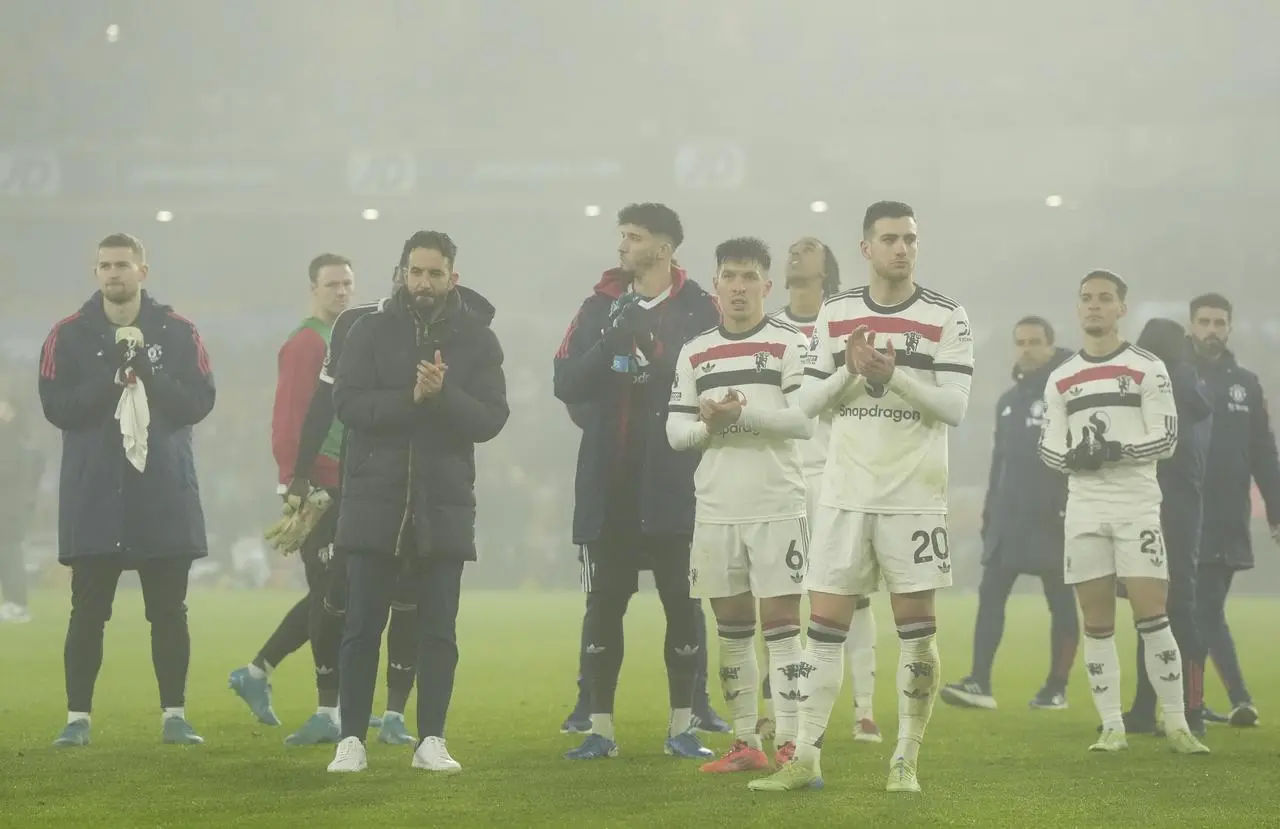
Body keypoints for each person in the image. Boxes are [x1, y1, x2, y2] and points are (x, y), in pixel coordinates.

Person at [751, 201, 974, 794]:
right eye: (890, 239)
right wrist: (854, 370)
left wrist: (892, 373)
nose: (902, 249)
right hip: (846, 494)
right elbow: (805, 405)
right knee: (822, 630)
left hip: (914, 499)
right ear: (865, 249)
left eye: (910, 239)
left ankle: (905, 758)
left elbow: (956, 407)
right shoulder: (837, 312)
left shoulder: (946, 316)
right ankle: (806, 759)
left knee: (917, 634)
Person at [326, 230, 508, 774]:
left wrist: (444, 395)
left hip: (444, 501)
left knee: (438, 629)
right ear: (402, 273)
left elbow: (492, 419)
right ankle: (351, 740)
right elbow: (347, 405)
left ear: (453, 275)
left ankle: (431, 739)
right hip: (373, 499)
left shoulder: (479, 340)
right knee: (361, 627)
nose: (423, 283)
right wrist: (412, 397)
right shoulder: (367, 331)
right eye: (415, 272)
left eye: (434, 273)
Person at [226, 255, 418, 746]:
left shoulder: (350, 335)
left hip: (349, 480)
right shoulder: (306, 343)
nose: (342, 292)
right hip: (319, 484)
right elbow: (292, 417)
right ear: (313, 288)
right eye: (332, 284)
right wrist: (296, 482)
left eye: (348, 284)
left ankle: (262, 672)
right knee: (333, 593)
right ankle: (325, 708)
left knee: (338, 592)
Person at [554, 203, 722, 761]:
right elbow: (564, 380)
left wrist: (652, 349)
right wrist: (609, 343)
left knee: (682, 602)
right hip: (610, 485)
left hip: (676, 483)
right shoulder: (598, 305)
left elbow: (715, 379)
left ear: (665, 248)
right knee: (604, 605)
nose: (622, 245)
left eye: (634, 236)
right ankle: (600, 729)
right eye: (621, 235)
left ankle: (683, 727)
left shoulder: (701, 308)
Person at [39, 232, 215, 747]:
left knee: (168, 611)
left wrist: (150, 378)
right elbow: (57, 408)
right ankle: (77, 720)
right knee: (88, 611)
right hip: (94, 495)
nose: (113, 273)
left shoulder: (179, 332)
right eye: (105, 265)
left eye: (123, 264)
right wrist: (112, 380)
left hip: (162, 492)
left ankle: (174, 716)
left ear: (144, 270)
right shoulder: (67, 335)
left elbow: (199, 403)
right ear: (95, 273)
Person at [1037, 270, 1207, 755]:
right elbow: (1048, 446)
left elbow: (1167, 438)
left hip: (1135, 507)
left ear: (1121, 308)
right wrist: (1072, 457)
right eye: (1086, 298)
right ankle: (1112, 726)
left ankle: (1177, 724)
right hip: (1085, 509)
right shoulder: (1061, 377)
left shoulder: (1147, 367)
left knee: (1154, 617)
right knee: (1097, 622)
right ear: (1078, 308)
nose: (1094, 306)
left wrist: (1112, 450)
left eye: (1104, 298)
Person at [667, 237, 812, 774]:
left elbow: (804, 419)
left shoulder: (790, 342)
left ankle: (792, 741)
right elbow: (674, 430)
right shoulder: (695, 350)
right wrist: (707, 424)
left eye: (750, 277)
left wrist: (740, 418)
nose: (739, 286)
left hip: (776, 502)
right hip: (716, 507)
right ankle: (746, 741)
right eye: (729, 275)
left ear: (767, 286)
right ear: (717, 284)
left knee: (780, 624)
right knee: (730, 626)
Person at [768, 235, 881, 743]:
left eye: (809, 247)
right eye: (793, 247)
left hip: (836, 475)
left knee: (850, 596)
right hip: (781, 477)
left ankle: (864, 710)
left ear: (826, 269)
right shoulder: (767, 331)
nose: (796, 250)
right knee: (780, 597)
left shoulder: (841, 326)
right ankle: (781, 710)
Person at [941, 316, 1077, 711]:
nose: (1027, 348)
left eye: (1035, 341)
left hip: (1054, 518)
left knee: (1061, 601)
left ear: (1051, 347)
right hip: (1008, 519)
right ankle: (979, 681)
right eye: (1020, 342)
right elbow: (999, 462)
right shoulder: (1008, 401)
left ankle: (1057, 687)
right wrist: (989, 515)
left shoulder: (1066, 393)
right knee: (990, 596)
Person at [1108, 318, 1212, 736]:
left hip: (1168, 507)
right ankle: (1150, 706)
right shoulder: (1189, 386)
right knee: (1152, 609)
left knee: (1174, 609)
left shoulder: (1170, 386)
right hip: (1170, 506)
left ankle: (1192, 709)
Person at [1188, 292, 1280, 727]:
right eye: (1203, 321)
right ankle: (1209, 701)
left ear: (1229, 328)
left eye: (1218, 322)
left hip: (1225, 517)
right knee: (1189, 612)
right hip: (1180, 516)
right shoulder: (1175, 377)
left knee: (1203, 609)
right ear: (1191, 326)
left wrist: (1276, 510)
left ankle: (1212, 701)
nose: (1211, 330)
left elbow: (1263, 452)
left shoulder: (1246, 383)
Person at [0, 378, 41, 624]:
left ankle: (17, 604)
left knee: (10, 555)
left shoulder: (9, 438)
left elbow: (7, 470)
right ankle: (14, 603)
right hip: (12, 507)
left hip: (8, 510)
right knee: (8, 555)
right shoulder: (13, 438)